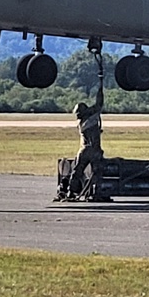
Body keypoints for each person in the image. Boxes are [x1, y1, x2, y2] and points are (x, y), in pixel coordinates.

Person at [65, 71, 105, 201]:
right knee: (97, 173)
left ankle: (71, 191)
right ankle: (96, 192)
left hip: (83, 150)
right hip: (93, 150)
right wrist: (100, 85)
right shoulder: (89, 121)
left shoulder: (82, 122)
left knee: (77, 171)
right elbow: (99, 104)